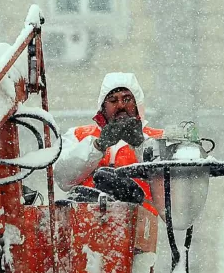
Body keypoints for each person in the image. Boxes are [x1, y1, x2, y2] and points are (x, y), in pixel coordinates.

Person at [53, 72, 163, 211]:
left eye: (127, 99)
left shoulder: (159, 139)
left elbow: (169, 189)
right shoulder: (77, 135)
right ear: (103, 107)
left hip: (142, 227)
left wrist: (141, 145)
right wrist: (98, 146)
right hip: (86, 225)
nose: (120, 105)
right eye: (113, 100)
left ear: (137, 104)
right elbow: (63, 179)